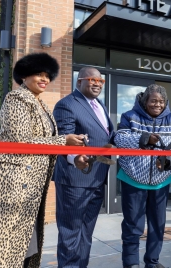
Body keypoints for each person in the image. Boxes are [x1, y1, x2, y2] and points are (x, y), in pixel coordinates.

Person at [0, 53, 85, 268]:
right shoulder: (17, 98)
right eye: (38, 74)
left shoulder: (39, 103)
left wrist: (70, 148)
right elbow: (20, 141)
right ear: (24, 76)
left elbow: (43, 143)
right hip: (8, 184)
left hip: (27, 185)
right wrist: (63, 140)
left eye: (47, 76)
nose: (44, 79)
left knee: (21, 244)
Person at [114, 84, 171, 268]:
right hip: (133, 178)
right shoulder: (130, 116)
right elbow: (120, 140)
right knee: (133, 225)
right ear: (145, 101)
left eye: (161, 102)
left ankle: (152, 261)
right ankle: (131, 263)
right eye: (153, 101)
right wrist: (143, 139)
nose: (157, 105)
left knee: (157, 225)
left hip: (162, 181)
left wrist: (168, 161)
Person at [53, 67, 115, 267]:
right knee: (71, 232)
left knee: (86, 232)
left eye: (101, 81)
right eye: (92, 79)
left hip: (97, 178)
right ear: (79, 81)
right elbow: (65, 137)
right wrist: (74, 158)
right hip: (75, 179)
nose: (97, 83)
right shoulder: (67, 104)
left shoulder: (100, 105)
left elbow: (106, 136)